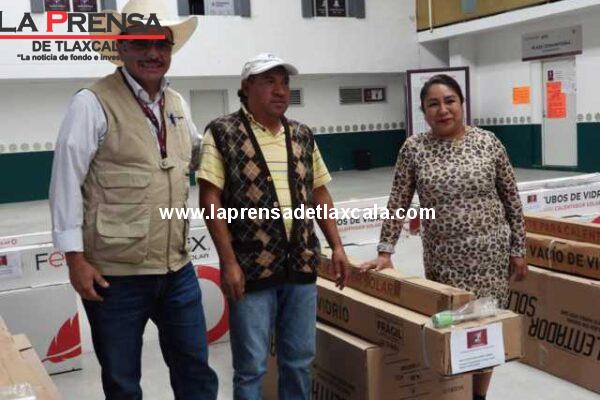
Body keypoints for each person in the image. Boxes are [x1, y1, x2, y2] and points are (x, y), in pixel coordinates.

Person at [49, 1, 218, 398]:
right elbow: (65, 183)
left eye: (161, 44)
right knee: (123, 383)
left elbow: (200, 155)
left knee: (196, 373)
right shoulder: (91, 102)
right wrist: (75, 259)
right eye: (141, 43)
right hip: (114, 276)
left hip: (177, 270)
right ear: (121, 47)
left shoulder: (178, 104)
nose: (152, 53)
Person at [360, 74, 528, 400]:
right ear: (424, 112)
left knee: (485, 329)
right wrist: (385, 251)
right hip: (444, 263)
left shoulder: (488, 142)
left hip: (490, 260)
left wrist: (518, 249)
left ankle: (478, 396)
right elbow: (398, 201)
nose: (443, 110)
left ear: (462, 104)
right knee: (452, 333)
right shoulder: (414, 148)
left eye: (450, 101)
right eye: (433, 104)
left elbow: (512, 199)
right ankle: (456, 392)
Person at [198, 53, 349, 400]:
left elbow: (319, 192)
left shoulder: (301, 135)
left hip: (301, 266)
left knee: (299, 361)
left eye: (285, 83)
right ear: (246, 87)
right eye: (269, 82)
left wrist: (337, 246)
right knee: (251, 367)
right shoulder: (222, 132)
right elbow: (210, 198)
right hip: (251, 269)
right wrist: (228, 262)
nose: (280, 91)